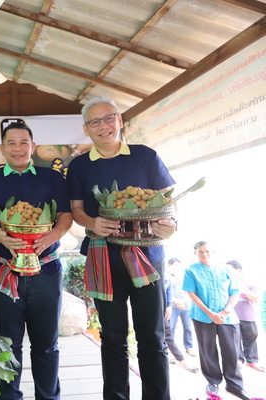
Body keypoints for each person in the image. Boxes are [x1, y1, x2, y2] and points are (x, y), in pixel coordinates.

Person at [66, 96, 176, 400]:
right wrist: (92, 223)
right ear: (86, 129)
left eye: (109, 118)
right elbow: (76, 210)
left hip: (148, 257)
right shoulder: (79, 166)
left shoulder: (145, 156)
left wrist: (171, 224)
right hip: (104, 256)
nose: (103, 126)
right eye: (95, 121)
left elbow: (169, 201)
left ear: (120, 120)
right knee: (113, 337)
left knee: (152, 337)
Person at [0, 122, 72, 400]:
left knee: (46, 344)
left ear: (33, 146)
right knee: (7, 344)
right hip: (3, 268)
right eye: (11, 143)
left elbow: (65, 215)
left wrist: (52, 236)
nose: (18, 148)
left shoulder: (52, 178)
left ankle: (48, 397)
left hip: (46, 269)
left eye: (24, 142)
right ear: (2, 148)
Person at [183, 242, 251, 399]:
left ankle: (234, 385)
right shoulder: (191, 270)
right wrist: (210, 314)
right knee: (207, 350)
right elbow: (192, 294)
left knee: (232, 351)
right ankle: (213, 382)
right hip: (202, 317)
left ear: (213, 252)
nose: (204, 254)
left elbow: (234, 292)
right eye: (201, 251)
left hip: (228, 317)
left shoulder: (225, 270)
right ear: (195, 253)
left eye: (207, 251)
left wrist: (225, 312)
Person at [226, 260, 264, 372]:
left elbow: (255, 298)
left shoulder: (251, 283)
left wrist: (241, 286)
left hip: (248, 316)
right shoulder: (227, 282)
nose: (227, 272)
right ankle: (239, 360)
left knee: (250, 339)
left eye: (230, 269)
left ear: (238, 270)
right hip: (232, 317)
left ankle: (252, 361)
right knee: (234, 339)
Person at [164, 275, 198, 373]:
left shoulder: (182, 276)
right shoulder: (169, 275)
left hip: (173, 307)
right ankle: (177, 358)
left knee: (183, 329)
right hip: (162, 306)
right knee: (169, 331)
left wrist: (170, 305)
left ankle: (182, 357)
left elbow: (168, 290)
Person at [168, 257, 196, 357]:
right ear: (170, 265)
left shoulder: (185, 276)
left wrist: (183, 301)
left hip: (186, 306)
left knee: (188, 327)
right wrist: (176, 301)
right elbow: (166, 291)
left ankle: (189, 347)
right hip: (173, 306)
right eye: (175, 265)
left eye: (179, 265)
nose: (178, 267)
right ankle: (170, 347)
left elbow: (190, 291)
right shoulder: (168, 276)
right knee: (171, 327)